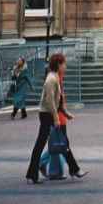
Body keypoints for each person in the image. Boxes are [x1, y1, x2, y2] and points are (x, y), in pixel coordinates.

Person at [25, 53, 87, 184]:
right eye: (64, 63)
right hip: (47, 114)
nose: (65, 66)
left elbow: (57, 100)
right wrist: (56, 118)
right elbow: (49, 101)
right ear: (58, 64)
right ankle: (73, 169)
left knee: (52, 143)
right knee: (44, 144)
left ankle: (33, 173)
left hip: (48, 113)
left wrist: (65, 112)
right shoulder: (51, 79)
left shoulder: (55, 77)